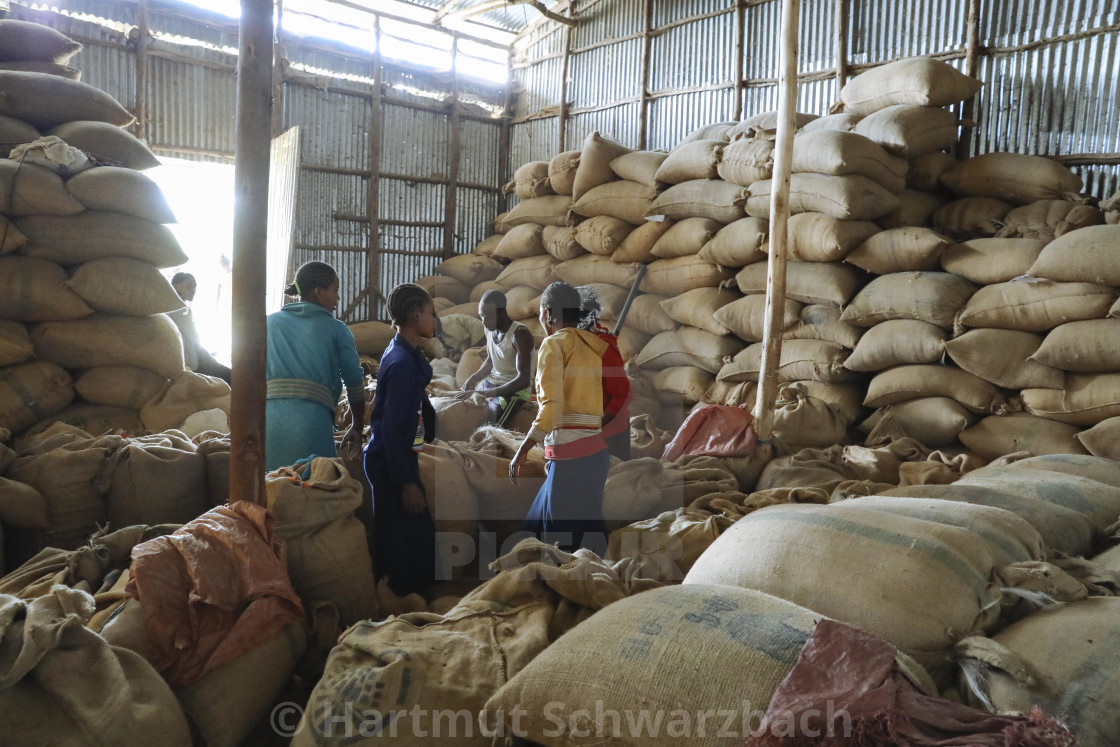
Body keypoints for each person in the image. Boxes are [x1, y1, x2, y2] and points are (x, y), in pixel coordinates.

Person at [510, 281, 610, 555]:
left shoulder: (553, 345)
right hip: (595, 457)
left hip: (570, 461)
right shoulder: (592, 347)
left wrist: (522, 450)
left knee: (558, 549)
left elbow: (553, 408)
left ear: (547, 313)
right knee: (579, 538)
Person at [364, 283, 439, 598]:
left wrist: (420, 443)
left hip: (397, 458)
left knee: (413, 536)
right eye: (432, 314)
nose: (436, 321)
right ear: (415, 313)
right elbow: (394, 429)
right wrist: (407, 482)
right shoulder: (403, 363)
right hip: (390, 462)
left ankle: (411, 598)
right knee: (402, 540)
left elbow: (413, 417)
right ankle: (401, 603)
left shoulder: (403, 352)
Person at [265, 261, 366, 472]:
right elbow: (355, 384)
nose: (338, 297)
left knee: (272, 490)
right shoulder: (337, 329)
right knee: (316, 489)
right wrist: (357, 426)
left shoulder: (268, 323)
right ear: (319, 292)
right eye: (335, 290)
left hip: (267, 421)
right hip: (311, 424)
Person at [458, 289, 534, 427]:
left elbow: (524, 380)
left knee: (490, 426)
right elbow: (491, 360)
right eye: (482, 316)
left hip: (514, 391)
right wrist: (474, 379)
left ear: (502, 314)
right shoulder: (490, 330)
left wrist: (487, 393)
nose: (483, 322)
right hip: (492, 384)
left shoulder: (520, 335)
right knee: (463, 405)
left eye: (489, 317)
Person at [577, 285, 633, 461]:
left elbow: (623, 394)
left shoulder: (603, 349)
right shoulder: (574, 344)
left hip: (609, 434)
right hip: (584, 433)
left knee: (611, 483)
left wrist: (596, 426)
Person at [168, 272, 232, 384]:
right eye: (189, 286)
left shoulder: (171, 305)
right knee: (232, 377)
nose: (193, 290)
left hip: (191, 355)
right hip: (192, 358)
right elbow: (194, 337)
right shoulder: (178, 307)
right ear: (176, 286)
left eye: (195, 287)